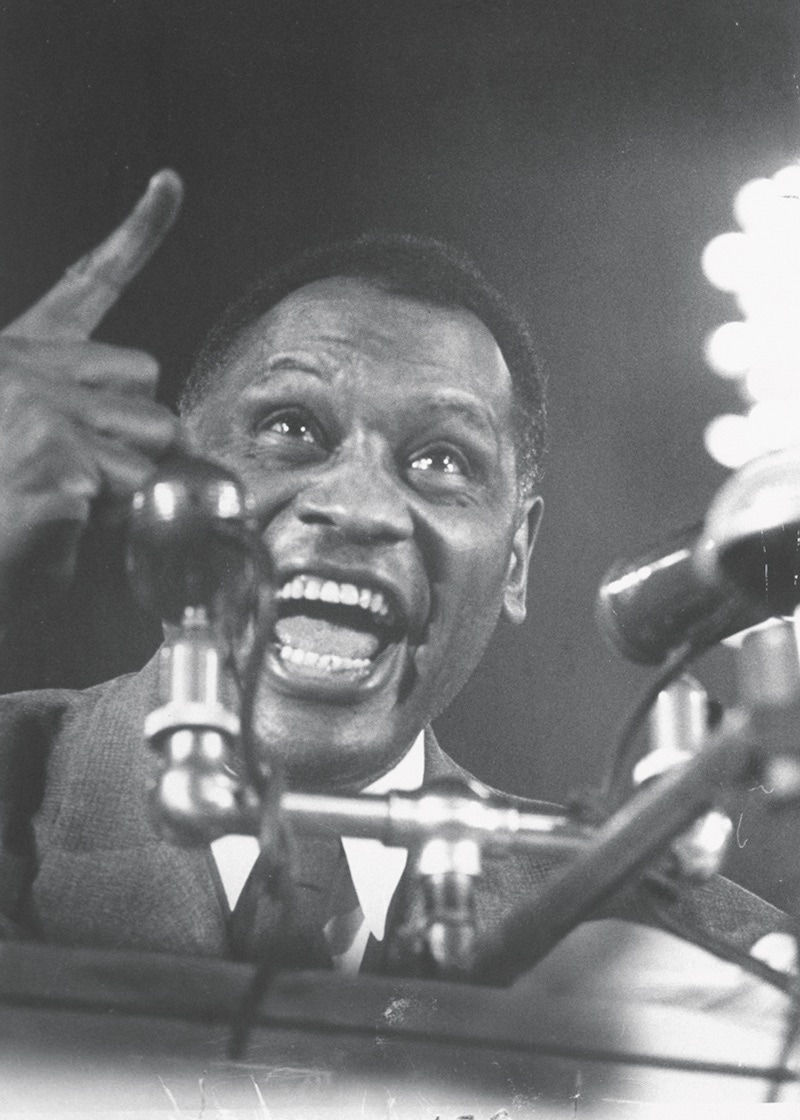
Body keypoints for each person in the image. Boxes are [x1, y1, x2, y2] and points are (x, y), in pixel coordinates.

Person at [0, 171, 787, 974]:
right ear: (166, 489)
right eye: (291, 426)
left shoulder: (691, 959)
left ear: (516, 560)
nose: (360, 507)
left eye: (442, 459)